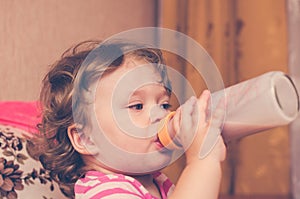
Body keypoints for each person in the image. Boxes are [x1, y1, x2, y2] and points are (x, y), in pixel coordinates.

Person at [36, 40, 226, 199]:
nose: (161, 115)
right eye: (137, 106)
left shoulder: (158, 182)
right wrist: (202, 161)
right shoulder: (106, 193)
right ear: (85, 138)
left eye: (165, 104)